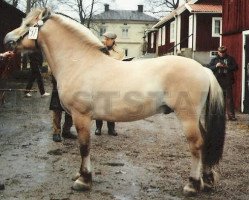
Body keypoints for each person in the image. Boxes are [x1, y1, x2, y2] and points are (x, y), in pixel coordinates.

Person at [95, 31, 125, 136]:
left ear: (113, 40)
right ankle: (98, 128)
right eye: (105, 39)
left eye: (108, 39)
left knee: (110, 106)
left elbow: (120, 65)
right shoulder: (99, 49)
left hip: (112, 80)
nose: (105, 41)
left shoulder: (119, 51)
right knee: (99, 104)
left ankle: (111, 129)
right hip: (100, 80)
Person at [208, 45, 238, 121]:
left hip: (227, 81)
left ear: (225, 52)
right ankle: (216, 116)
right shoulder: (214, 60)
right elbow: (209, 68)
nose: (222, 53)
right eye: (220, 52)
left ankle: (231, 115)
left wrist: (227, 66)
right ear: (218, 52)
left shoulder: (230, 59)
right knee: (217, 98)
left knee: (229, 99)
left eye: (223, 52)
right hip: (217, 81)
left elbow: (236, 67)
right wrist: (216, 66)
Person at [49, 76, 77, 142]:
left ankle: (66, 131)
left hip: (70, 86)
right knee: (57, 110)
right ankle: (56, 133)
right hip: (58, 86)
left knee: (69, 110)